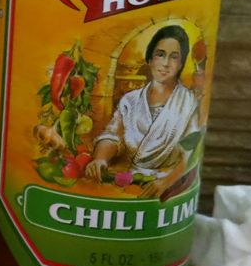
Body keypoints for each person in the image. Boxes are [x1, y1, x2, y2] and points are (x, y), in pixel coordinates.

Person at [85, 25, 200, 197]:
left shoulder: (189, 103)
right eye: (160, 54)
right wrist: (100, 158)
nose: (165, 63)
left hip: (167, 186)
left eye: (174, 57)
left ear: (181, 63)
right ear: (150, 59)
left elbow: (191, 152)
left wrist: (167, 182)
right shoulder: (131, 100)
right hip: (128, 181)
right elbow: (113, 135)